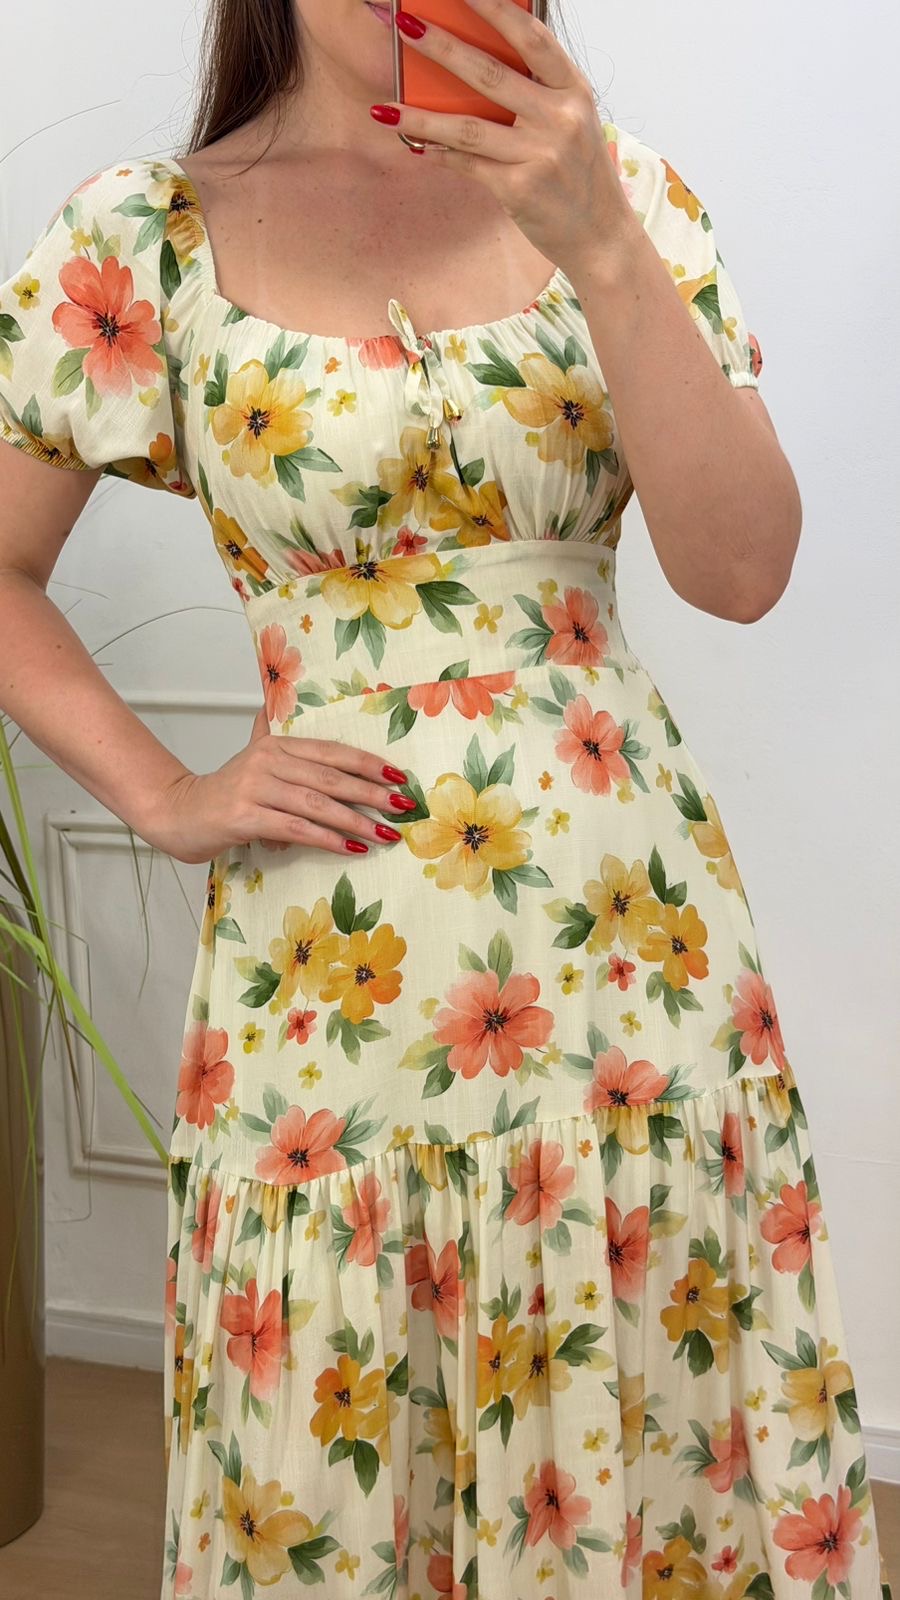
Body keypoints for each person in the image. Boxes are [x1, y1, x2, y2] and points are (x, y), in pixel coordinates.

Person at [0, 2, 892, 1597]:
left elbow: (743, 569)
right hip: (328, 984)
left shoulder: (620, 195)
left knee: (657, 1374)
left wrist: (601, 242)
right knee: (338, 1417)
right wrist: (163, 793)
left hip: (631, 957)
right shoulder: (146, 235)